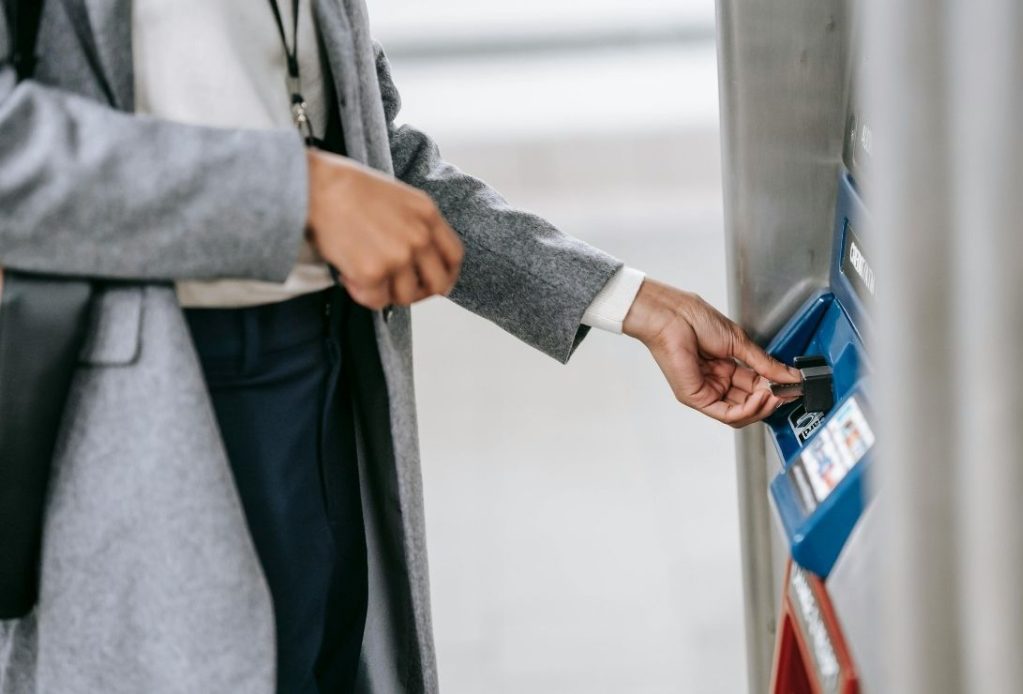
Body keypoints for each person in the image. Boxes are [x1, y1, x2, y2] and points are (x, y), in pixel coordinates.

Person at [0, 1, 802, 692]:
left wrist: (626, 299)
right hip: (144, 405)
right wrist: (299, 192)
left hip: (328, 374)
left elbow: (378, 163)